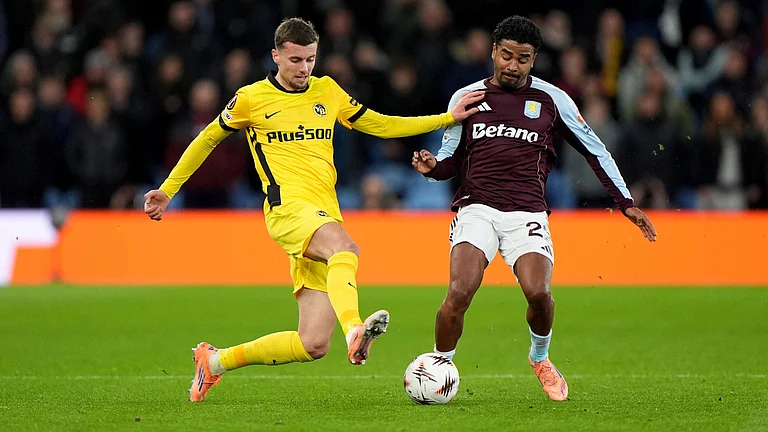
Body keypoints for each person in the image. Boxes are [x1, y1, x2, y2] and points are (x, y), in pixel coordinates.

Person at [143, 17, 483, 402]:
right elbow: (206, 140)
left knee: (313, 343)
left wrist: (446, 119)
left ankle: (214, 362)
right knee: (347, 250)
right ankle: (355, 330)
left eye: (310, 59)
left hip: (324, 214)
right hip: (286, 211)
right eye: (295, 61)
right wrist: (168, 190)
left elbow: (381, 125)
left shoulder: (327, 91)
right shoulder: (251, 98)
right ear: (276, 56)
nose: (304, 69)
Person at [412, 15, 656, 401]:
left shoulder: (552, 99)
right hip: (477, 208)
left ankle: (540, 358)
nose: (513, 65)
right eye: (506, 55)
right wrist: (433, 169)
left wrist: (625, 202)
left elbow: (594, 149)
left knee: (539, 294)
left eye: (522, 58)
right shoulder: (467, 97)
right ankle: (440, 366)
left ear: (534, 59)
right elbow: (449, 159)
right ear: (494, 52)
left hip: (527, 213)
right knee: (459, 292)